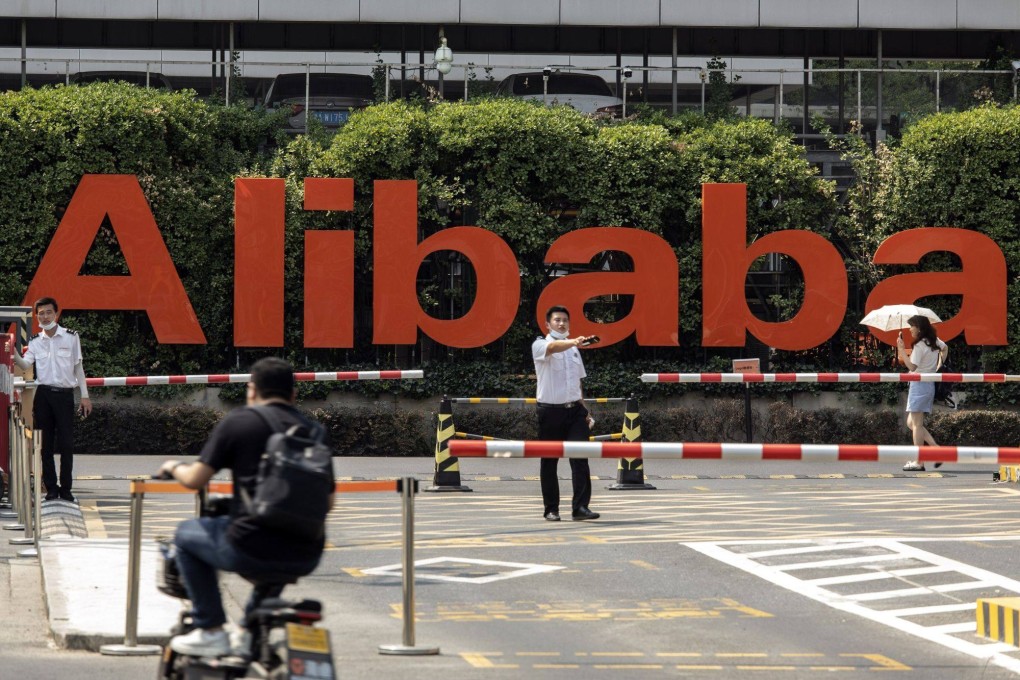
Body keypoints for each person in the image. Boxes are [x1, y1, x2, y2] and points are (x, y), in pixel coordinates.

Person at [159, 357, 334, 658]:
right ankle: (247, 633)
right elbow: (328, 501)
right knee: (279, 549)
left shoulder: (240, 422)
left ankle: (210, 628)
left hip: (248, 544)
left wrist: (173, 466)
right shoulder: (313, 431)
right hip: (307, 552)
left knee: (185, 534)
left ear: (252, 390)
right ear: (293, 394)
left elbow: (195, 479)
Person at [11, 297, 92, 502]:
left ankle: (66, 489)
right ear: (37, 316)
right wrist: (10, 348)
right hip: (44, 395)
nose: (45, 317)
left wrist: (84, 396)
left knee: (66, 444)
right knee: (44, 445)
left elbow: (78, 368)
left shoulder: (71, 337)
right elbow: (25, 363)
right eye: (41, 313)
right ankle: (51, 488)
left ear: (56, 314)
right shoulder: (35, 341)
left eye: (48, 312)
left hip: (64, 395)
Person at [532, 306, 599, 522]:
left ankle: (580, 507)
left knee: (580, 459)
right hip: (550, 411)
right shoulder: (540, 345)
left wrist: (585, 410)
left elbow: (576, 383)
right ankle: (551, 508)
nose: (561, 324)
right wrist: (574, 341)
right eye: (557, 320)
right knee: (550, 461)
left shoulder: (573, 350)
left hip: (574, 411)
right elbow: (553, 348)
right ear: (548, 324)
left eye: (565, 320)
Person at [896, 315, 948, 472]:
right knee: (911, 423)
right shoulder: (932, 341)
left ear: (919, 327)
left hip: (919, 385)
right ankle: (936, 449)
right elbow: (945, 348)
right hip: (927, 384)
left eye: (911, 326)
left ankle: (919, 462)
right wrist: (938, 365)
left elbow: (912, 366)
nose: (910, 329)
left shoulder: (919, 345)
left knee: (916, 425)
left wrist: (901, 349)